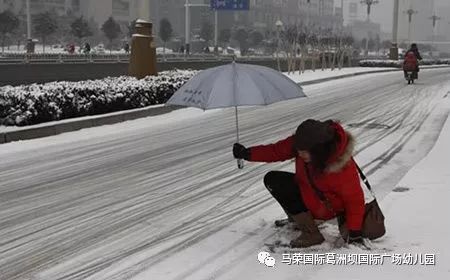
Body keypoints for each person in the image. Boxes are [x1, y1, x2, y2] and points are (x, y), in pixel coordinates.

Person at [232, 119, 366, 248]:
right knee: (274, 180)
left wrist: (354, 233)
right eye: (298, 150)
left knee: (290, 188)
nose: (300, 154)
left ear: (318, 149)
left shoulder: (341, 167)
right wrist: (247, 153)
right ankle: (299, 220)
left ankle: (311, 234)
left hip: (326, 206)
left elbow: (354, 201)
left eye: (304, 151)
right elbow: (276, 151)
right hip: (308, 191)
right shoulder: (302, 143)